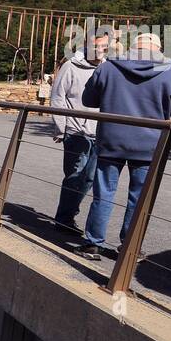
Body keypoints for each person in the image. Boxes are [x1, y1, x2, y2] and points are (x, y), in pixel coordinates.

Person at [76, 32, 171, 261]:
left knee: (103, 193)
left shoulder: (108, 67)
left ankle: (92, 244)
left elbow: (88, 101)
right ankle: (130, 247)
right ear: (157, 48)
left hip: (111, 139)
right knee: (138, 198)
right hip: (149, 144)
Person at [49, 34, 106, 234]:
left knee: (89, 178)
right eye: (99, 46)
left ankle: (69, 215)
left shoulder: (107, 68)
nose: (102, 51)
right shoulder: (70, 66)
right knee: (74, 175)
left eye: (106, 47)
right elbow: (57, 97)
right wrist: (61, 128)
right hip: (75, 131)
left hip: (99, 133)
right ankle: (63, 219)